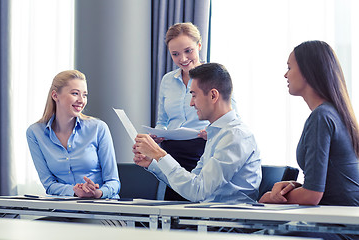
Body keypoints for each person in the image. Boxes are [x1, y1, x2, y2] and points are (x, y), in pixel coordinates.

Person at [259, 41, 359, 240]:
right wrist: (294, 187)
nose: (285, 75)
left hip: (340, 226)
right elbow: (323, 185)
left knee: (257, 236)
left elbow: (312, 196)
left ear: (307, 71)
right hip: (340, 221)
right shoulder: (333, 113)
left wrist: (271, 197)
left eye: (289, 68)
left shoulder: (321, 117)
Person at [133, 63, 261, 203]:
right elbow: (190, 185)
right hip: (209, 219)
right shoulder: (218, 134)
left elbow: (198, 191)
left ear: (213, 95)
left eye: (194, 95)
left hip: (225, 222)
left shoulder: (235, 135)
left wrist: (159, 154)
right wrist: (153, 162)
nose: (191, 103)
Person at [154, 22, 237, 200]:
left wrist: (211, 132)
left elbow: (231, 115)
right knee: (171, 208)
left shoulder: (214, 76)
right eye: (175, 54)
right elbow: (163, 119)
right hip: (171, 151)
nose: (183, 58)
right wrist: (159, 133)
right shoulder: (167, 80)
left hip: (202, 148)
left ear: (199, 46)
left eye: (188, 51)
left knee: (196, 196)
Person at [26, 70, 120, 199]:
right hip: (65, 212)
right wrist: (74, 191)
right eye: (75, 93)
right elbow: (49, 184)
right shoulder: (35, 133)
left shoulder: (98, 128)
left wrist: (97, 193)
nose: (81, 100)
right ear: (55, 95)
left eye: (85, 95)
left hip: (102, 209)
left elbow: (114, 182)